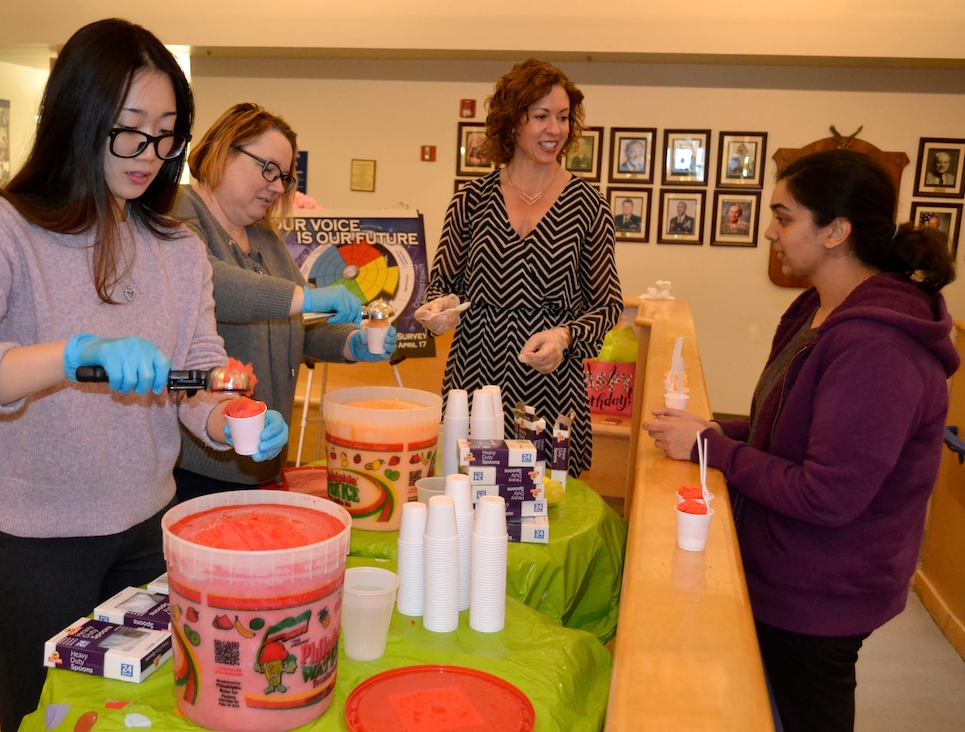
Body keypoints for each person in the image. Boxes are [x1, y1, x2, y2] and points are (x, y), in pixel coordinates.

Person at [0, 19, 288, 731]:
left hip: (147, 531)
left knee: (141, 719)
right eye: (130, 128)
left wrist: (226, 417)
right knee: (45, 721)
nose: (150, 153)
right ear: (77, 114)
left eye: (166, 132)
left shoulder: (176, 248)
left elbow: (191, 378)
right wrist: (71, 356)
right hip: (33, 551)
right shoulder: (2, 230)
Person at [644, 149, 958, 732]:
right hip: (783, 565)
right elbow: (779, 426)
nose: (770, 231)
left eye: (784, 218)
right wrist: (705, 433)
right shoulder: (818, 306)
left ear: (836, 231)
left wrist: (711, 447)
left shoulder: (877, 349)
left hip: (822, 590)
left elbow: (826, 495)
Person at [171, 103, 396, 498]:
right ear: (223, 151)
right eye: (267, 169)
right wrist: (305, 296)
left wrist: (349, 341)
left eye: (285, 177)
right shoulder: (177, 211)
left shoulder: (262, 235)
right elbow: (210, 284)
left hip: (263, 461)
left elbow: (298, 323)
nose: (277, 186)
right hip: (200, 465)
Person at [416, 58, 622, 477]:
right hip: (474, 373)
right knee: (468, 499)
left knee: (545, 507)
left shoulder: (588, 205)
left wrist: (564, 336)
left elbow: (608, 305)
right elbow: (441, 285)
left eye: (563, 118)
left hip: (549, 378)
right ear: (512, 123)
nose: (556, 130)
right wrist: (438, 311)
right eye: (541, 116)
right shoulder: (471, 200)